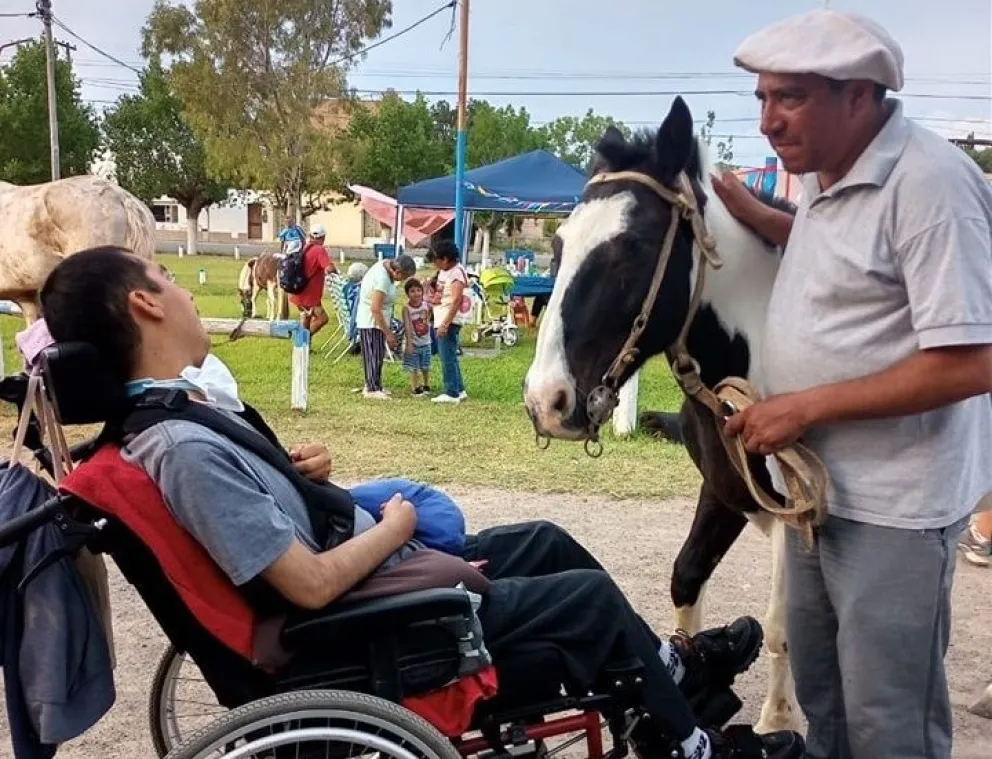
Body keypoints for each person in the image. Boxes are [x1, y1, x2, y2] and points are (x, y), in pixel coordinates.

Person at [39, 247, 805, 759]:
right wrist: (395, 523)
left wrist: (295, 476)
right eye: (167, 277)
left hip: (359, 592)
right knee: (586, 600)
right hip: (355, 629)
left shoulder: (171, 418)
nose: (181, 288)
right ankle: (688, 743)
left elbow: (252, 519)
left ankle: (669, 669)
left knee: (545, 538)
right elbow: (307, 583)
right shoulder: (179, 447)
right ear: (144, 304)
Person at [713, 9, 992, 759]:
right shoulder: (824, 173)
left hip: (895, 509)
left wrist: (803, 406)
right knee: (825, 700)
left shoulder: (930, 185)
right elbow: (838, 253)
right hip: (819, 495)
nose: (768, 120)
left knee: (888, 723)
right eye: (762, 98)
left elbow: (972, 361)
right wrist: (754, 215)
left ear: (860, 96)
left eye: (791, 97)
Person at [356, 255, 417, 400]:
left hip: (380, 321)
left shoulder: (386, 265)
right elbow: (375, 309)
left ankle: (376, 385)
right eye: (404, 277)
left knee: (378, 354)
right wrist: (388, 333)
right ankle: (371, 389)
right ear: (398, 272)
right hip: (371, 321)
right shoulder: (382, 279)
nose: (402, 280)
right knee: (372, 355)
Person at [427, 240, 469, 404]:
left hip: (448, 320)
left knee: (447, 357)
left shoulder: (456, 273)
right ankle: (459, 389)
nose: (434, 264)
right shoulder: (445, 271)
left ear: (445, 259)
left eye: (436, 260)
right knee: (450, 355)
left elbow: (457, 299)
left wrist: (445, 324)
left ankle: (451, 392)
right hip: (441, 317)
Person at [287, 225, 335, 338]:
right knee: (322, 318)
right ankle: (301, 340)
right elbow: (329, 268)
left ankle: (304, 344)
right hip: (308, 296)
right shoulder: (319, 250)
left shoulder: (305, 247)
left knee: (307, 319)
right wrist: (336, 271)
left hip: (299, 291)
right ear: (323, 237)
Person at [402, 278, 433, 397]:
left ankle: (426, 384)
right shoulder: (406, 309)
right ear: (407, 294)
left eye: (418, 290)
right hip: (414, 343)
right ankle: (415, 387)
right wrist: (409, 344)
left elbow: (430, 312)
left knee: (426, 366)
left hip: (426, 342)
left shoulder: (426, 306)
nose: (416, 293)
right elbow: (407, 327)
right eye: (412, 291)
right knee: (414, 367)